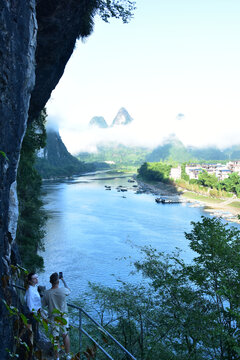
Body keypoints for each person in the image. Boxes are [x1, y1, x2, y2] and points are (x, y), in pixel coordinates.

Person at [42, 272, 71, 360]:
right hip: (63, 316)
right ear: (58, 281)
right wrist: (63, 280)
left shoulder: (46, 293)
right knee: (65, 334)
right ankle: (68, 355)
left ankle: (57, 357)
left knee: (55, 338)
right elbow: (69, 290)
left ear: (50, 282)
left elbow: (43, 305)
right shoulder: (63, 290)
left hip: (53, 317)